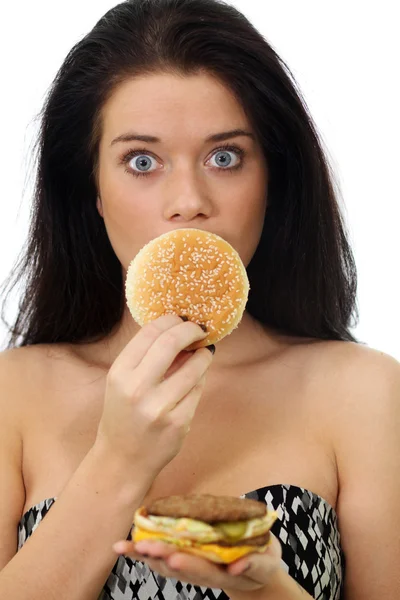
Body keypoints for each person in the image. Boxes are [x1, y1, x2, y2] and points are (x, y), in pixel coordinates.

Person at [0, 0, 399, 598]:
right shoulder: (12, 395)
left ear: (273, 181)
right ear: (94, 192)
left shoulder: (364, 392)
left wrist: (264, 587)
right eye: (142, 161)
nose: (188, 200)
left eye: (224, 157)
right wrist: (121, 459)